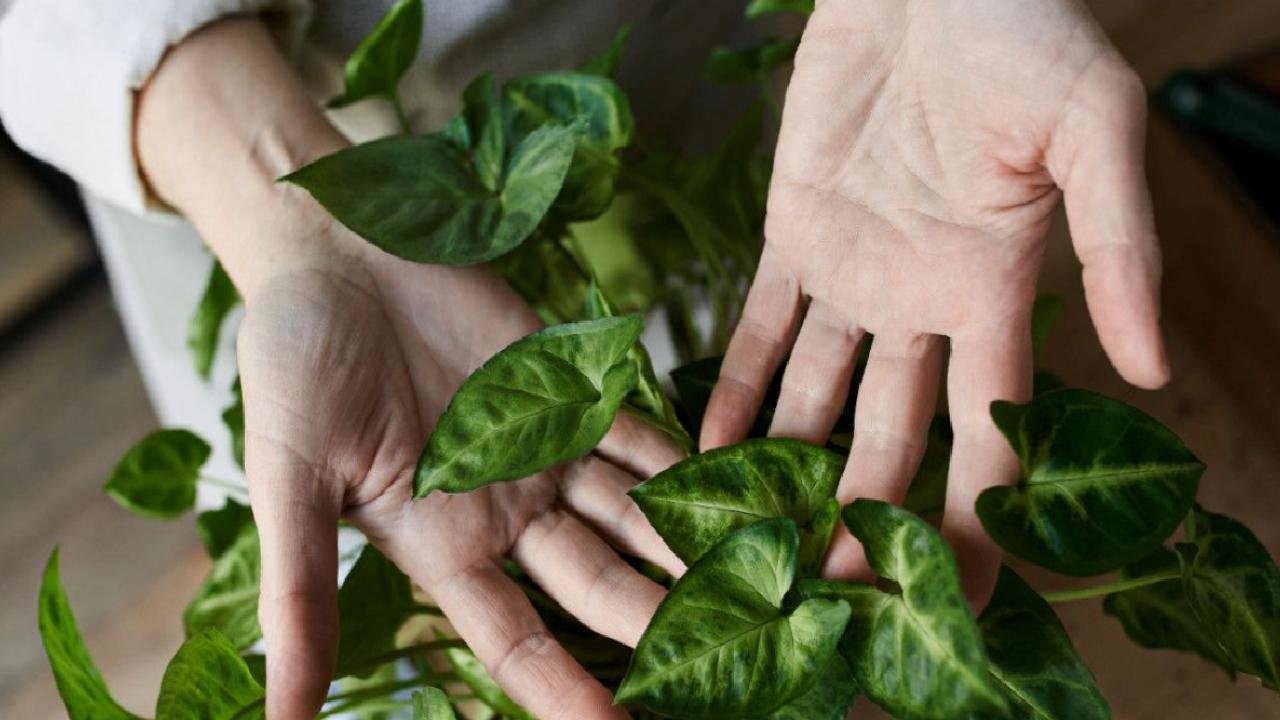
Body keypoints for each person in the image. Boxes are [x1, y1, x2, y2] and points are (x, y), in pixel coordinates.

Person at [0, 1, 1167, 718]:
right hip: (225, 121)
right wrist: (281, 210)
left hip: (810, 85)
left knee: (767, 356)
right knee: (388, 558)